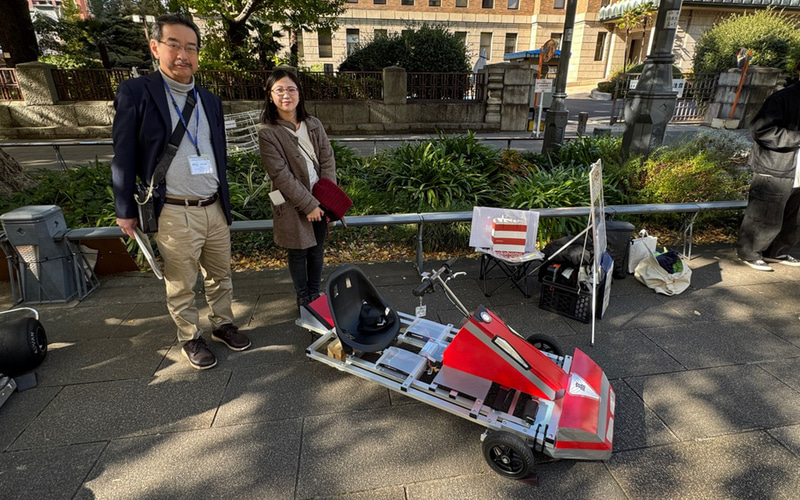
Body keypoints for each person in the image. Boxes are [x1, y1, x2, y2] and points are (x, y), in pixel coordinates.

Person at [111, 14, 250, 369]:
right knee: (181, 282)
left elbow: (217, 151)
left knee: (221, 275)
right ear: (155, 47)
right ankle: (190, 336)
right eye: (174, 45)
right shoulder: (137, 92)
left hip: (213, 205)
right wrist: (124, 209)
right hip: (173, 208)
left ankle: (223, 324)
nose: (183, 55)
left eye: (191, 47)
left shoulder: (209, 99)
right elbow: (123, 154)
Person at [258, 68, 337, 310]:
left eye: (291, 89)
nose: (286, 95)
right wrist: (308, 204)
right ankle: (303, 298)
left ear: (299, 93)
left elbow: (327, 159)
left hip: (321, 199)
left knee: (317, 249)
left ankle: (315, 294)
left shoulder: (313, 124)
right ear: (270, 95)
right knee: (299, 251)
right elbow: (280, 175)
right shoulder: (268, 132)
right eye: (279, 90)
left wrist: (327, 197)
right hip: (292, 202)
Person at [737, 60, 800, 272]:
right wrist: (797, 138)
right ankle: (749, 252)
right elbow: (761, 130)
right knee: (764, 214)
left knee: (794, 216)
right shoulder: (782, 98)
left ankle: (778, 252)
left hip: (796, 169)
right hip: (776, 167)